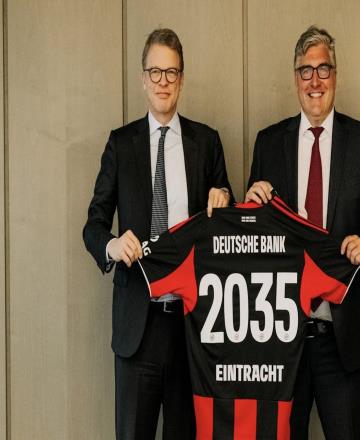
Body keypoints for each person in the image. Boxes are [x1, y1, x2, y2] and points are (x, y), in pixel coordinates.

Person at [246, 25, 360, 440]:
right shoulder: (268, 144)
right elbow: (253, 245)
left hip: (345, 339)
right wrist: (250, 209)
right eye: (306, 70)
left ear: (336, 74)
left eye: (323, 69)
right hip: (282, 340)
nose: (315, 80)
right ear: (295, 78)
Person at [83, 28, 232, 440]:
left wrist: (224, 197)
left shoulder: (207, 142)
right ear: (142, 77)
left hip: (192, 327)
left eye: (171, 72)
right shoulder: (121, 144)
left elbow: (227, 222)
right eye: (155, 72)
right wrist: (112, 245)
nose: (163, 81)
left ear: (182, 78)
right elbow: (93, 225)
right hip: (138, 324)